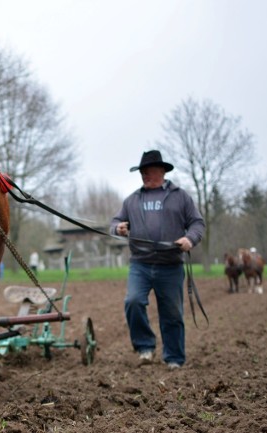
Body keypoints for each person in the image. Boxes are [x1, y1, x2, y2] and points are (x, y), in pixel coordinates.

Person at [110, 150, 205, 369]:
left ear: (162, 171)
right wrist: (119, 227)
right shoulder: (132, 200)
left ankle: (173, 358)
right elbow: (114, 223)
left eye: (149, 171)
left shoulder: (180, 197)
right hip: (140, 263)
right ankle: (145, 347)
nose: (144, 175)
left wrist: (190, 239)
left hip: (170, 264)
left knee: (172, 313)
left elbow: (197, 223)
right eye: (142, 172)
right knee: (132, 302)